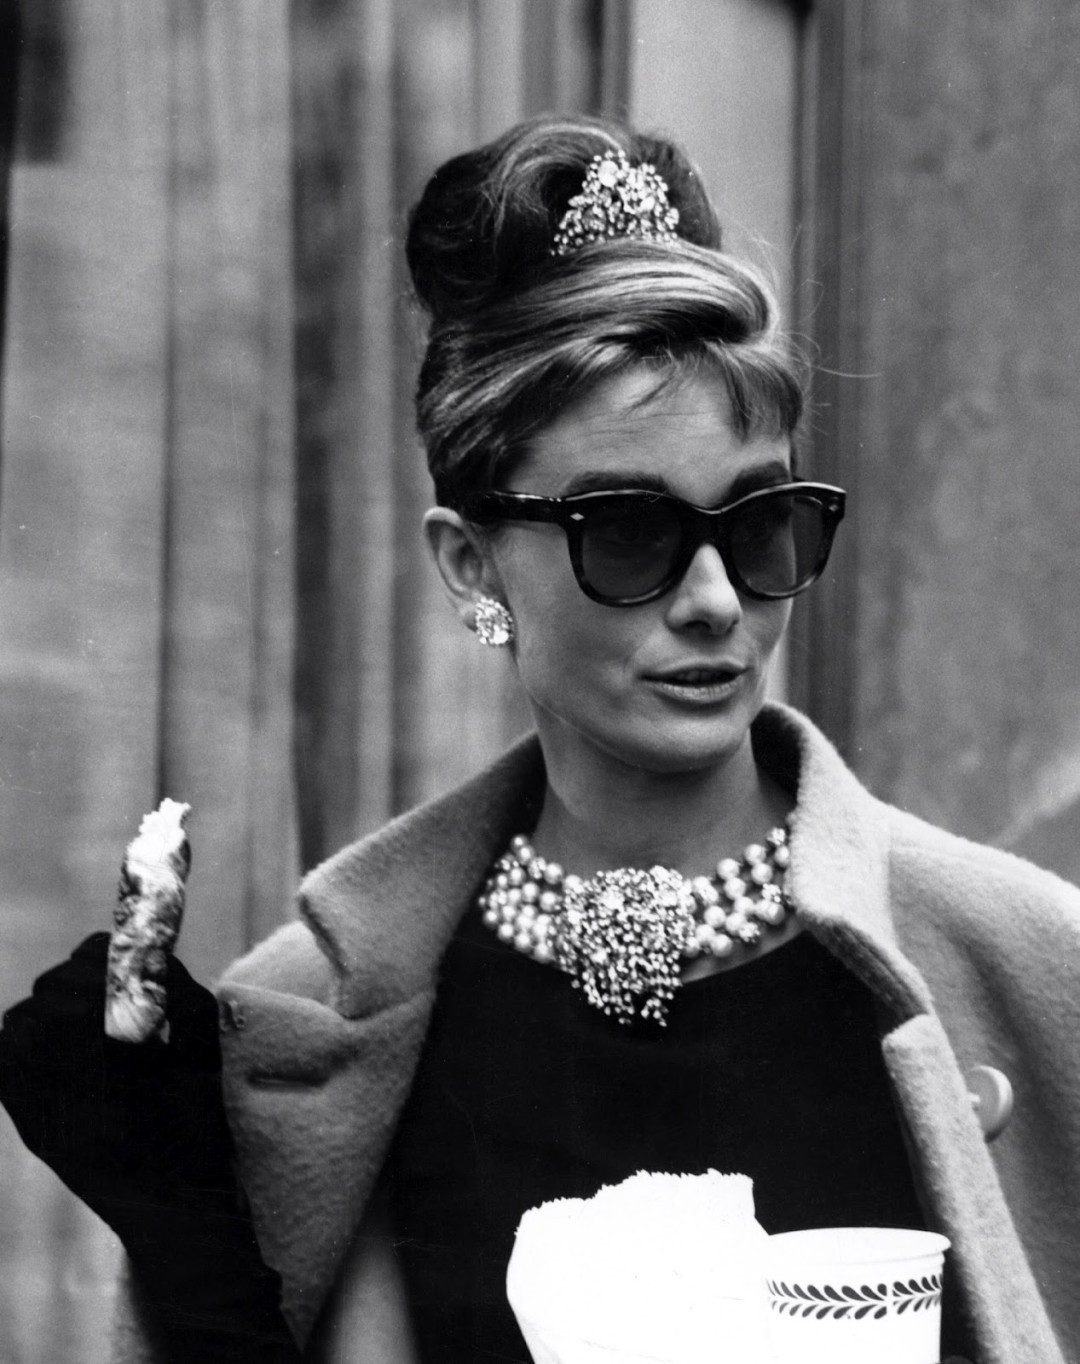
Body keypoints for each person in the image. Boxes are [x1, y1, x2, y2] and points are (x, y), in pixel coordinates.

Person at [2, 113, 1079, 1364]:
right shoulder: (316, 1014)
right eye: (629, 530)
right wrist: (197, 1252)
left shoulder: (1024, 964)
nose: (717, 598)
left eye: (761, 522)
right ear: (472, 565)